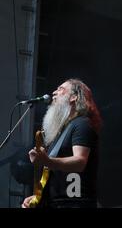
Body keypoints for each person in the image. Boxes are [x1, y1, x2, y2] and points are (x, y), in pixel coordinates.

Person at [22, 79, 102, 208]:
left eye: (61, 89)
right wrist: (39, 197)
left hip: (75, 203)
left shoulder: (82, 124)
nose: (54, 92)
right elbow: (57, 176)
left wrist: (47, 161)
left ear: (74, 97)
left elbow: (80, 162)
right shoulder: (62, 131)